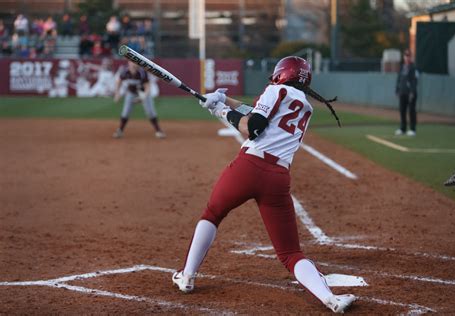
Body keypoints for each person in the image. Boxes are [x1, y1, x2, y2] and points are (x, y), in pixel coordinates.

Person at [171, 56, 356, 313]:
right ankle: (330, 298)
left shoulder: (275, 89)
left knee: (212, 214)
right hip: (278, 178)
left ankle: (187, 276)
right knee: (291, 253)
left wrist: (221, 112)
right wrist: (226, 101)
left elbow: (254, 127)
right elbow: (258, 113)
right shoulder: (303, 105)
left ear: (282, 73)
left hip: (249, 167)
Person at [113, 61, 165, 139]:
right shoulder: (125, 72)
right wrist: (117, 93)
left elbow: (147, 87)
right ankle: (120, 131)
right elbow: (119, 81)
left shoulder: (142, 73)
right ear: (129, 63)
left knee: (150, 112)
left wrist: (142, 98)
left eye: (135, 63)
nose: (134, 65)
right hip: (131, 93)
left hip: (143, 92)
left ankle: (158, 131)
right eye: (132, 63)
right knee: (126, 111)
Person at [395, 49, 419, 136]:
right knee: (402, 111)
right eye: (406, 56)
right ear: (404, 57)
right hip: (402, 92)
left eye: (408, 56)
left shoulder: (413, 67)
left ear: (411, 57)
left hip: (410, 93)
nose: (407, 57)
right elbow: (399, 79)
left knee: (411, 110)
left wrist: (412, 92)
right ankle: (403, 128)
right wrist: (397, 90)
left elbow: (414, 81)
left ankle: (413, 129)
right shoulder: (402, 67)